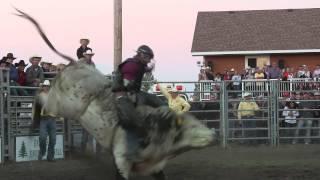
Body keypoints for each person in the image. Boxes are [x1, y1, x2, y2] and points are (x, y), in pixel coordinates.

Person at [111, 45, 168, 147]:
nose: (149, 61)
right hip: (124, 95)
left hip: (134, 93)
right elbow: (126, 84)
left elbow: (143, 69)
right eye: (148, 58)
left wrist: (149, 69)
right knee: (134, 120)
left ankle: (163, 119)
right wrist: (131, 85)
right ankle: (138, 143)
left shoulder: (138, 64)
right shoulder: (131, 66)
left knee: (158, 102)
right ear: (141, 55)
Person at [33, 80, 56, 162]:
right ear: (43, 87)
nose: (46, 87)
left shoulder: (53, 96)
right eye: (45, 86)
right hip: (44, 119)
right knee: (42, 138)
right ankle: (43, 152)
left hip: (52, 118)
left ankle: (50, 156)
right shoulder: (39, 96)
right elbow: (36, 109)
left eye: (47, 86)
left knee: (53, 139)